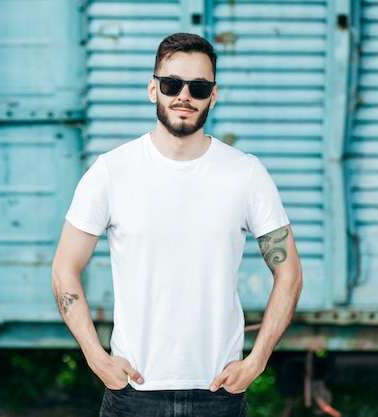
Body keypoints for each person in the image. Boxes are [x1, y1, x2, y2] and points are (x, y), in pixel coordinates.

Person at [51, 32, 303, 417]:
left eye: (198, 87)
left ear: (212, 97)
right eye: (172, 84)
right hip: (133, 393)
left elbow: (289, 273)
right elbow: (64, 268)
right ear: (153, 89)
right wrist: (95, 356)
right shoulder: (111, 172)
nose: (184, 96)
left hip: (218, 394)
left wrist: (257, 360)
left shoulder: (246, 174)